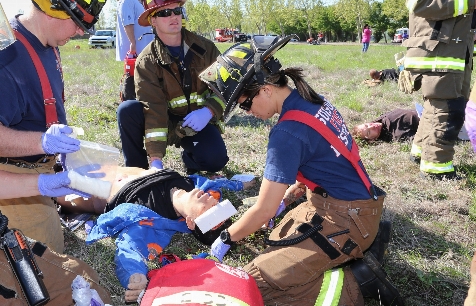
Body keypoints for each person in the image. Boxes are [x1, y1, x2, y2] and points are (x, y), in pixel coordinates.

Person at [200, 37, 403, 306]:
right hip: (351, 204)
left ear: (265, 89)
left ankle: (360, 283)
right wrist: (293, 194)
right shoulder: (312, 101)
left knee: (256, 286)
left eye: (245, 104)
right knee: (278, 239)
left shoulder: (286, 132)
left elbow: (263, 210)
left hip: (346, 217)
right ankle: (364, 242)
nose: (247, 112)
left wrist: (227, 237)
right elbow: (327, 159)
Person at [0, 0, 118, 305]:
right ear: (53, 10)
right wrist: (41, 141)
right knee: (50, 272)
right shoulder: (8, 59)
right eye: (78, 23)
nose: (82, 32)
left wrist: (56, 153)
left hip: (40, 171)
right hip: (11, 180)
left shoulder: (48, 43)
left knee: (92, 206)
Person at [86, 167, 253, 302]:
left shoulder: (149, 220)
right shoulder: (198, 188)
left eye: (207, 209)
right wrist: (240, 185)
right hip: (118, 164)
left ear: (191, 222)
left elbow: (129, 248)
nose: (210, 200)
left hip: (94, 185)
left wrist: (135, 276)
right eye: (215, 204)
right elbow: (219, 185)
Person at [116, 0, 228, 174]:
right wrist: (156, 160)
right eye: (165, 12)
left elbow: (225, 88)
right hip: (163, 121)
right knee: (127, 110)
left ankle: (191, 159)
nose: (174, 16)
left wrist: (208, 112)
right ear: (152, 20)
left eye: (177, 10)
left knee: (215, 159)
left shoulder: (206, 49)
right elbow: (154, 109)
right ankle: (138, 172)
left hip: (196, 120)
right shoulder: (147, 61)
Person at [403, 0, 476, 180]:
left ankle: (420, 150)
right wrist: (469, 0)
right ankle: (437, 168)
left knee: (442, 104)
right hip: (437, 49)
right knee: (446, 108)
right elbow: (418, 2)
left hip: (460, 49)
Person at [116, 0, 154, 101]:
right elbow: (128, 22)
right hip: (137, 47)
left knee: (140, 76)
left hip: (141, 45)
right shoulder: (127, 0)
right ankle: (130, 100)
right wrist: (132, 43)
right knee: (133, 76)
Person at [352, 109, 420, 143]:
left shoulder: (380, 119)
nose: (371, 126)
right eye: (369, 132)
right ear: (372, 140)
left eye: (366, 125)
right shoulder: (396, 134)